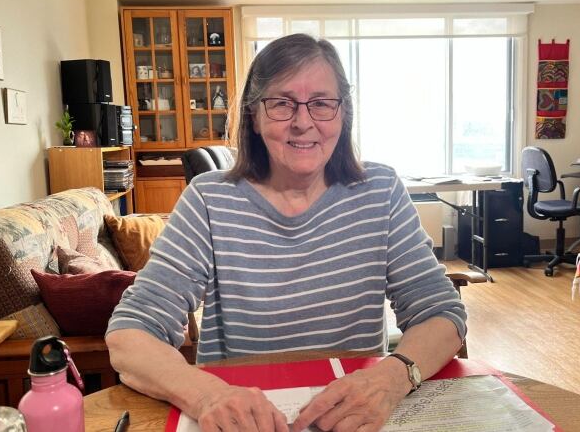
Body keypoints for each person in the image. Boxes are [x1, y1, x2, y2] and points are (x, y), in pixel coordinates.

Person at [106, 33, 467, 432]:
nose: (303, 121)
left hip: (356, 417)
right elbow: (130, 334)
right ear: (253, 116)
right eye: (281, 103)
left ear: (343, 112)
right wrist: (208, 395)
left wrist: (391, 378)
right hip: (244, 422)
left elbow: (441, 313)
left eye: (322, 103)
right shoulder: (209, 200)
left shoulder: (381, 191)